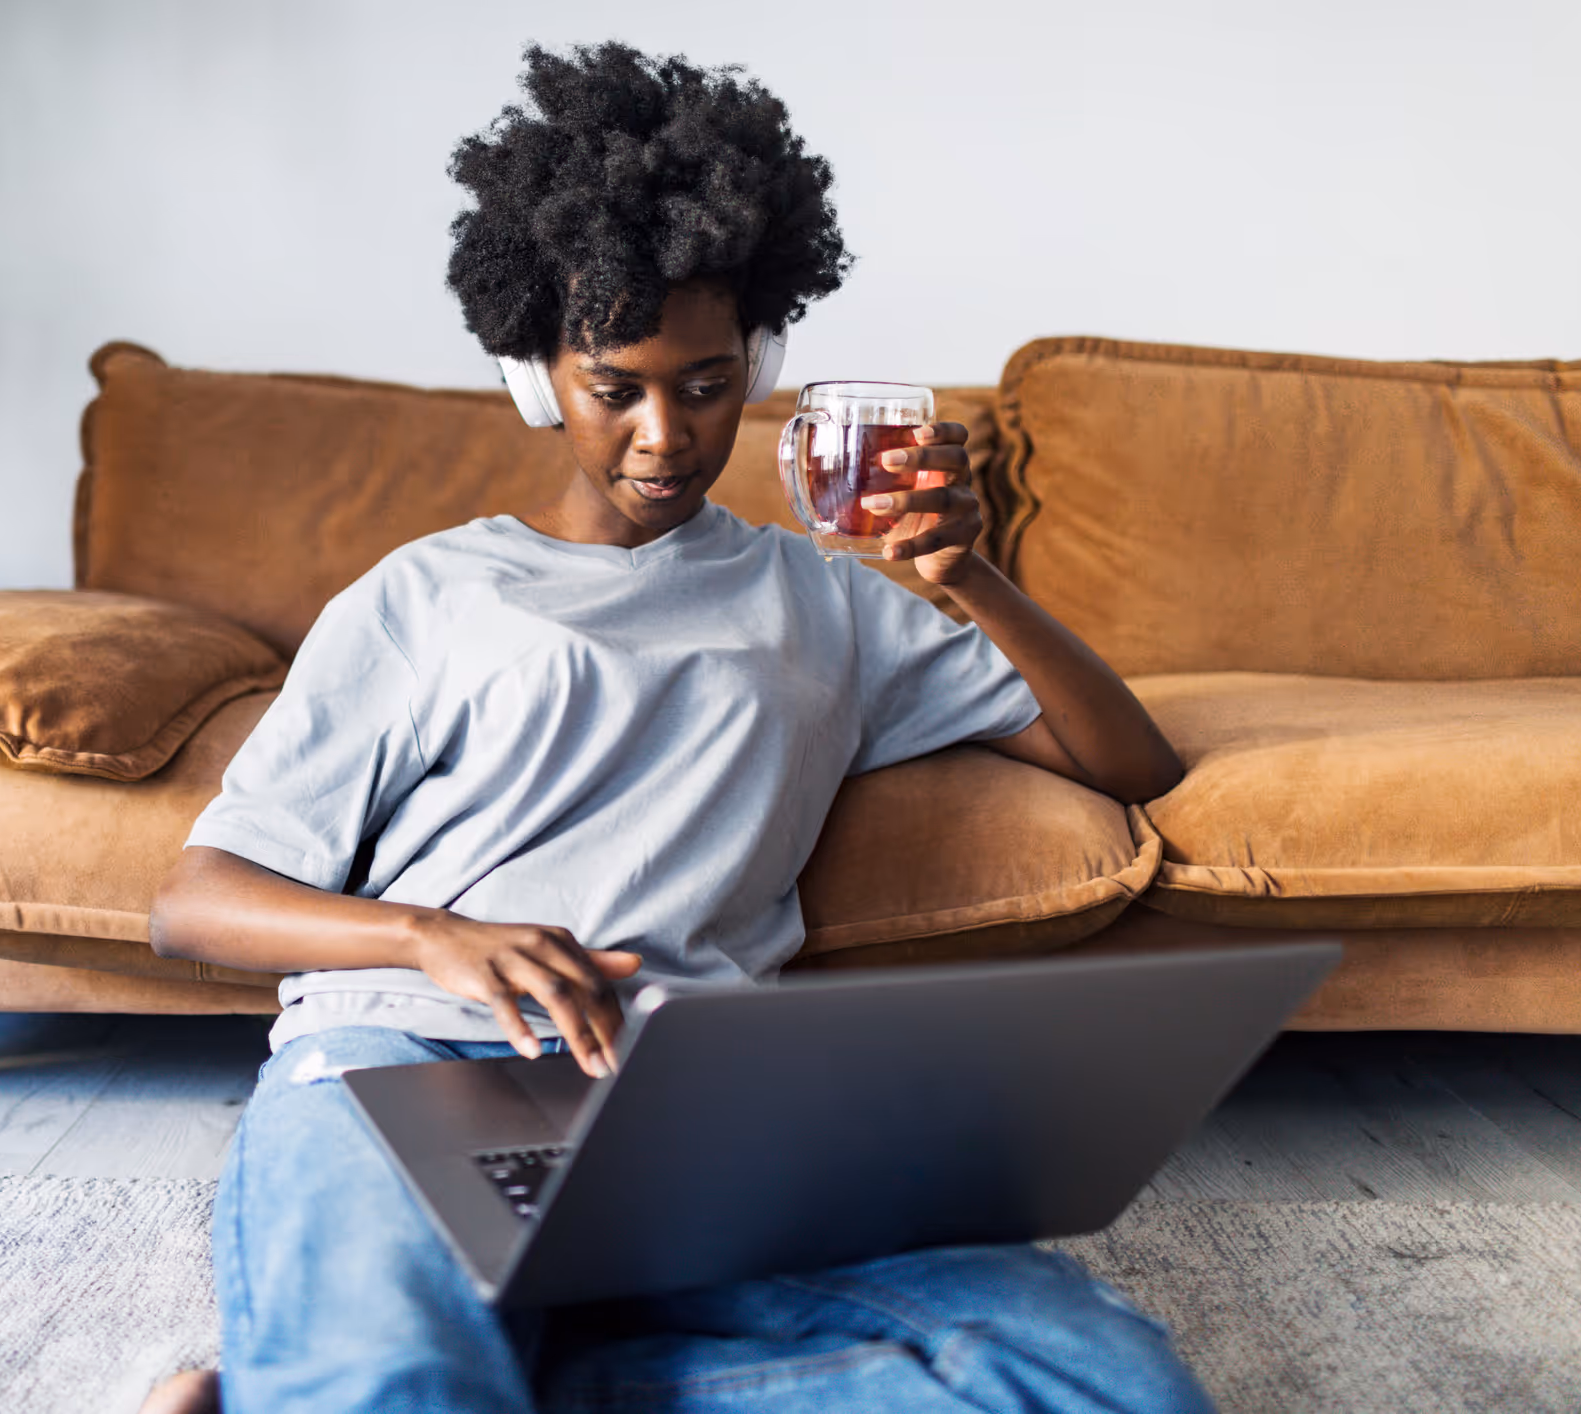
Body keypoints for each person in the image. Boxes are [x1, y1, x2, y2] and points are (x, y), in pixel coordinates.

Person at [141, 42, 1207, 1414]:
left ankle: (390, 1374)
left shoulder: (819, 598)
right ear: (538, 373)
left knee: (1102, 1380)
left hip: (694, 1115)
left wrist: (969, 578)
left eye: (705, 385)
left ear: (758, 357)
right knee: (395, 1382)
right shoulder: (426, 594)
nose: (665, 434)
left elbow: (1130, 761)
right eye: (615, 386)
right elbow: (195, 899)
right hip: (401, 1058)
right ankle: (404, 1363)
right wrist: (436, 936)